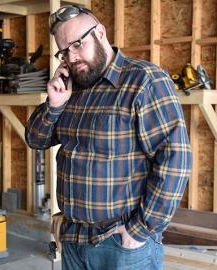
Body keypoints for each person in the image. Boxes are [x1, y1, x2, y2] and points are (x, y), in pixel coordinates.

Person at [25, 5, 192, 270]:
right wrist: (54, 105)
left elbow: (175, 158)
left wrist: (140, 229)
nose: (72, 56)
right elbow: (35, 139)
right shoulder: (71, 88)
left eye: (78, 44)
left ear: (100, 33)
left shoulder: (144, 80)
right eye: (64, 51)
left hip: (121, 244)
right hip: (73, 240)